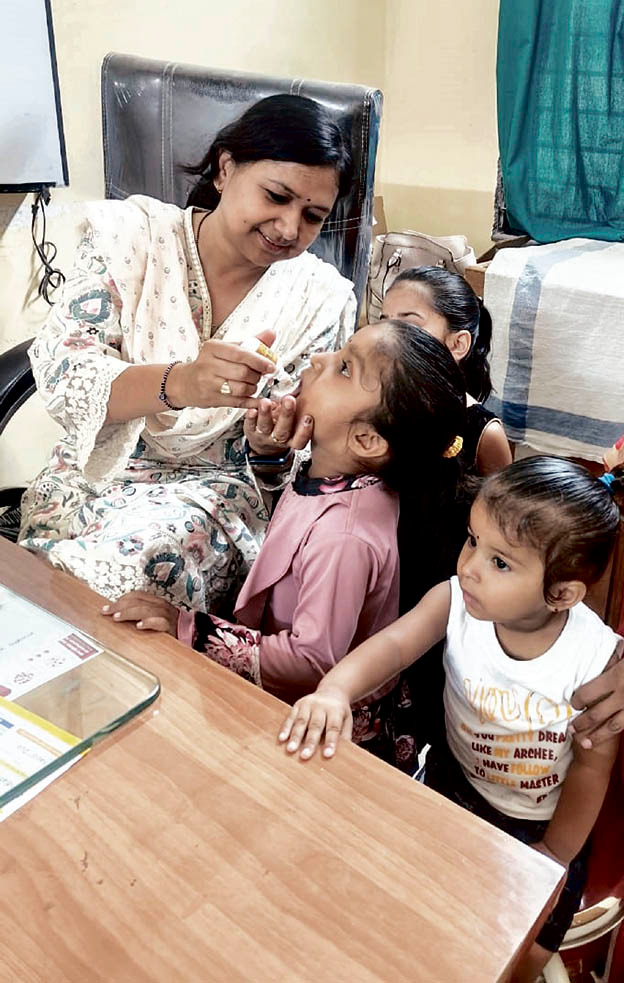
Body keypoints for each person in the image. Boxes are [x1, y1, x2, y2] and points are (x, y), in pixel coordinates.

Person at [279, 456, 624, 983]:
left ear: (561, 594)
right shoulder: (456, 601)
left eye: (500, 562)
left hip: (541, 826)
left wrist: (555, 853)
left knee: (521, 950)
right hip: (451, 786)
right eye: (472, 540)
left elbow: (590, 769)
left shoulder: (595, 661)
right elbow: (395, 644)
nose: (470, 567)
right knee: (423, 916)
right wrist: (335, 690)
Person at [18, 94, 357, 614]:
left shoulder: (320, 300)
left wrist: (270, 446)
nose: (289, 229)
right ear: (225, 169)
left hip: (215, 493)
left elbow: (307, 455)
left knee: (121, 580)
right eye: (276, 196)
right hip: (99, 467)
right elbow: (69, 374)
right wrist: (181, 382)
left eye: (313, 216)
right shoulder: (131, 239)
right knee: (35, 587)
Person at [102, 321, 467, 770]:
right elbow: (294, 528)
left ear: (366, 440)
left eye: (344, 368)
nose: (318, 360)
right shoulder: (336, 474)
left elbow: (311, 662)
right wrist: (269, 453)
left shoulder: (344, 539)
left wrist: (189, 628)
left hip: (318, 737)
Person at [381, 265, 512, 475]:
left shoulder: (484, 434)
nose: (385, 337)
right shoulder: (369, 402)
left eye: (409, 325)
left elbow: (500, 498)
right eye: (384, 322)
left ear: (458, 344)